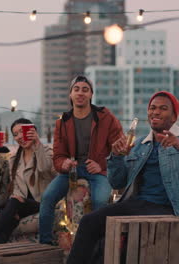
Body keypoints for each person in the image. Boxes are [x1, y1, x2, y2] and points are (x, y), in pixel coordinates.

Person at [67, 91, 179, 264]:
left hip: (171, 207)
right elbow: (117, 182)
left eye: (163, 108)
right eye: (152, 108)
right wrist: (116, 157)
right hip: (137, 204)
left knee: (131, 239)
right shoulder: (139, 144)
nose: (156, 112)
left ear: (174, 116)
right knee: (89, 221)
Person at [39, 75, 123, 245]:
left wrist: (101, 164)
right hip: (73, 171)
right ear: (70, 95)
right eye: (76, 89)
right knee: (47, 197)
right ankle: (45, 245)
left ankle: (100, 247)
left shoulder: (105, 116)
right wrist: (64, 164)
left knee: (100, 201)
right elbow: (58, 155)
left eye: (85, 90)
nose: (80, 93)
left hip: (98, 170)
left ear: (91, 94)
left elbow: (119, 149)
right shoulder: (62, 122)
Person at [0, 118, 56, 244]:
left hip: (43, 203)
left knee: (15, 201)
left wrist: (37, 142)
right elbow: (16, 189)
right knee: (12, 215)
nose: (19, 137)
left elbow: (44, 168)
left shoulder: (46, 151)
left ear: (32, 131)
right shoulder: (13, 159)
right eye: (15, 134)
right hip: (23, 204)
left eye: (22, 132)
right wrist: (14, 209)